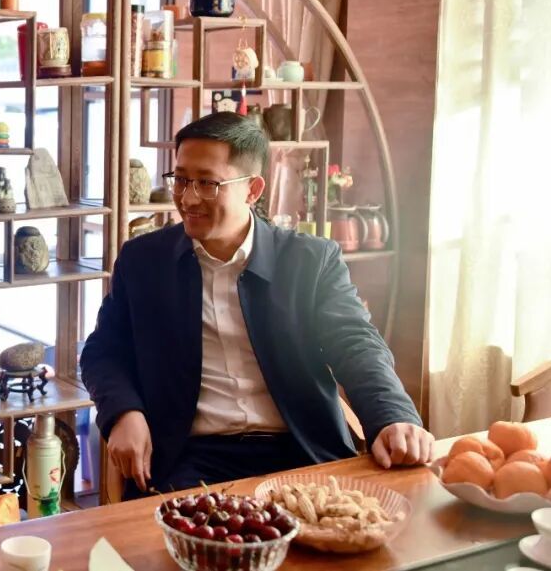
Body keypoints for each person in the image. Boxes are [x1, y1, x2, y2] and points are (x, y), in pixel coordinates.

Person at [80, 112, 433, 498]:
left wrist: (393, 416)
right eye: (180, 179)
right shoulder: (145, 261)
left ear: (253, 189)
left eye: (207, 183)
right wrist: (123, 413)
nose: (188, 198)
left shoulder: (308, 261)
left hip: (299, 451)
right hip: (188, 457)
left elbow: (356, 344)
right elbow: (104, 351)